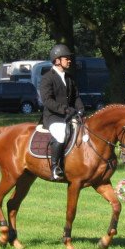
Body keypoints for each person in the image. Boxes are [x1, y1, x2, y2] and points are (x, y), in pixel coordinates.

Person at [40, 44, 84, 180]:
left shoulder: (69, 78)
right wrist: (65, 109)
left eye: (69, 59)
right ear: (57, 60)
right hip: (53, 117)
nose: (69, 60)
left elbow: (76, 97)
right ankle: (55, 168)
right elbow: (47, 100)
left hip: (69, 115)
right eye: (67, 58)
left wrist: (81, 109)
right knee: (60, 134)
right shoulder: (47, 78)